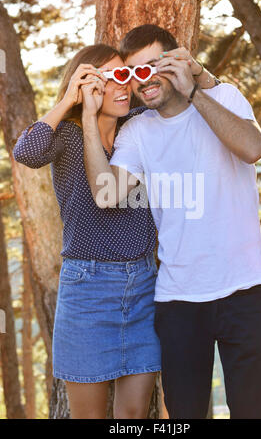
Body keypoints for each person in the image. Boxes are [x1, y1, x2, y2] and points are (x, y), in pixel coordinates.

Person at [13, 42, 217, 419]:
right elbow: (26, 152)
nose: (123, 87)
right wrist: (71, 99)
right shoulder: (67, 135)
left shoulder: (138, 125)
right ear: (87, 85)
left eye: (126, 75)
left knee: (135, 417)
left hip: (144, 284)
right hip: (87, 290)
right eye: (112, 78)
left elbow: (186, 111)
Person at [83, 25, 261, 419]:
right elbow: (105, 194)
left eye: (156, 65)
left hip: (245, 291)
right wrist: (87, 115)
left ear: (179, 62)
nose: (145, 78)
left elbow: (253, 148)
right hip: (178, 301)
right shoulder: (136, 131)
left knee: (252, 412)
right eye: (135, 71)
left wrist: (194, 90)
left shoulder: (224, 96)